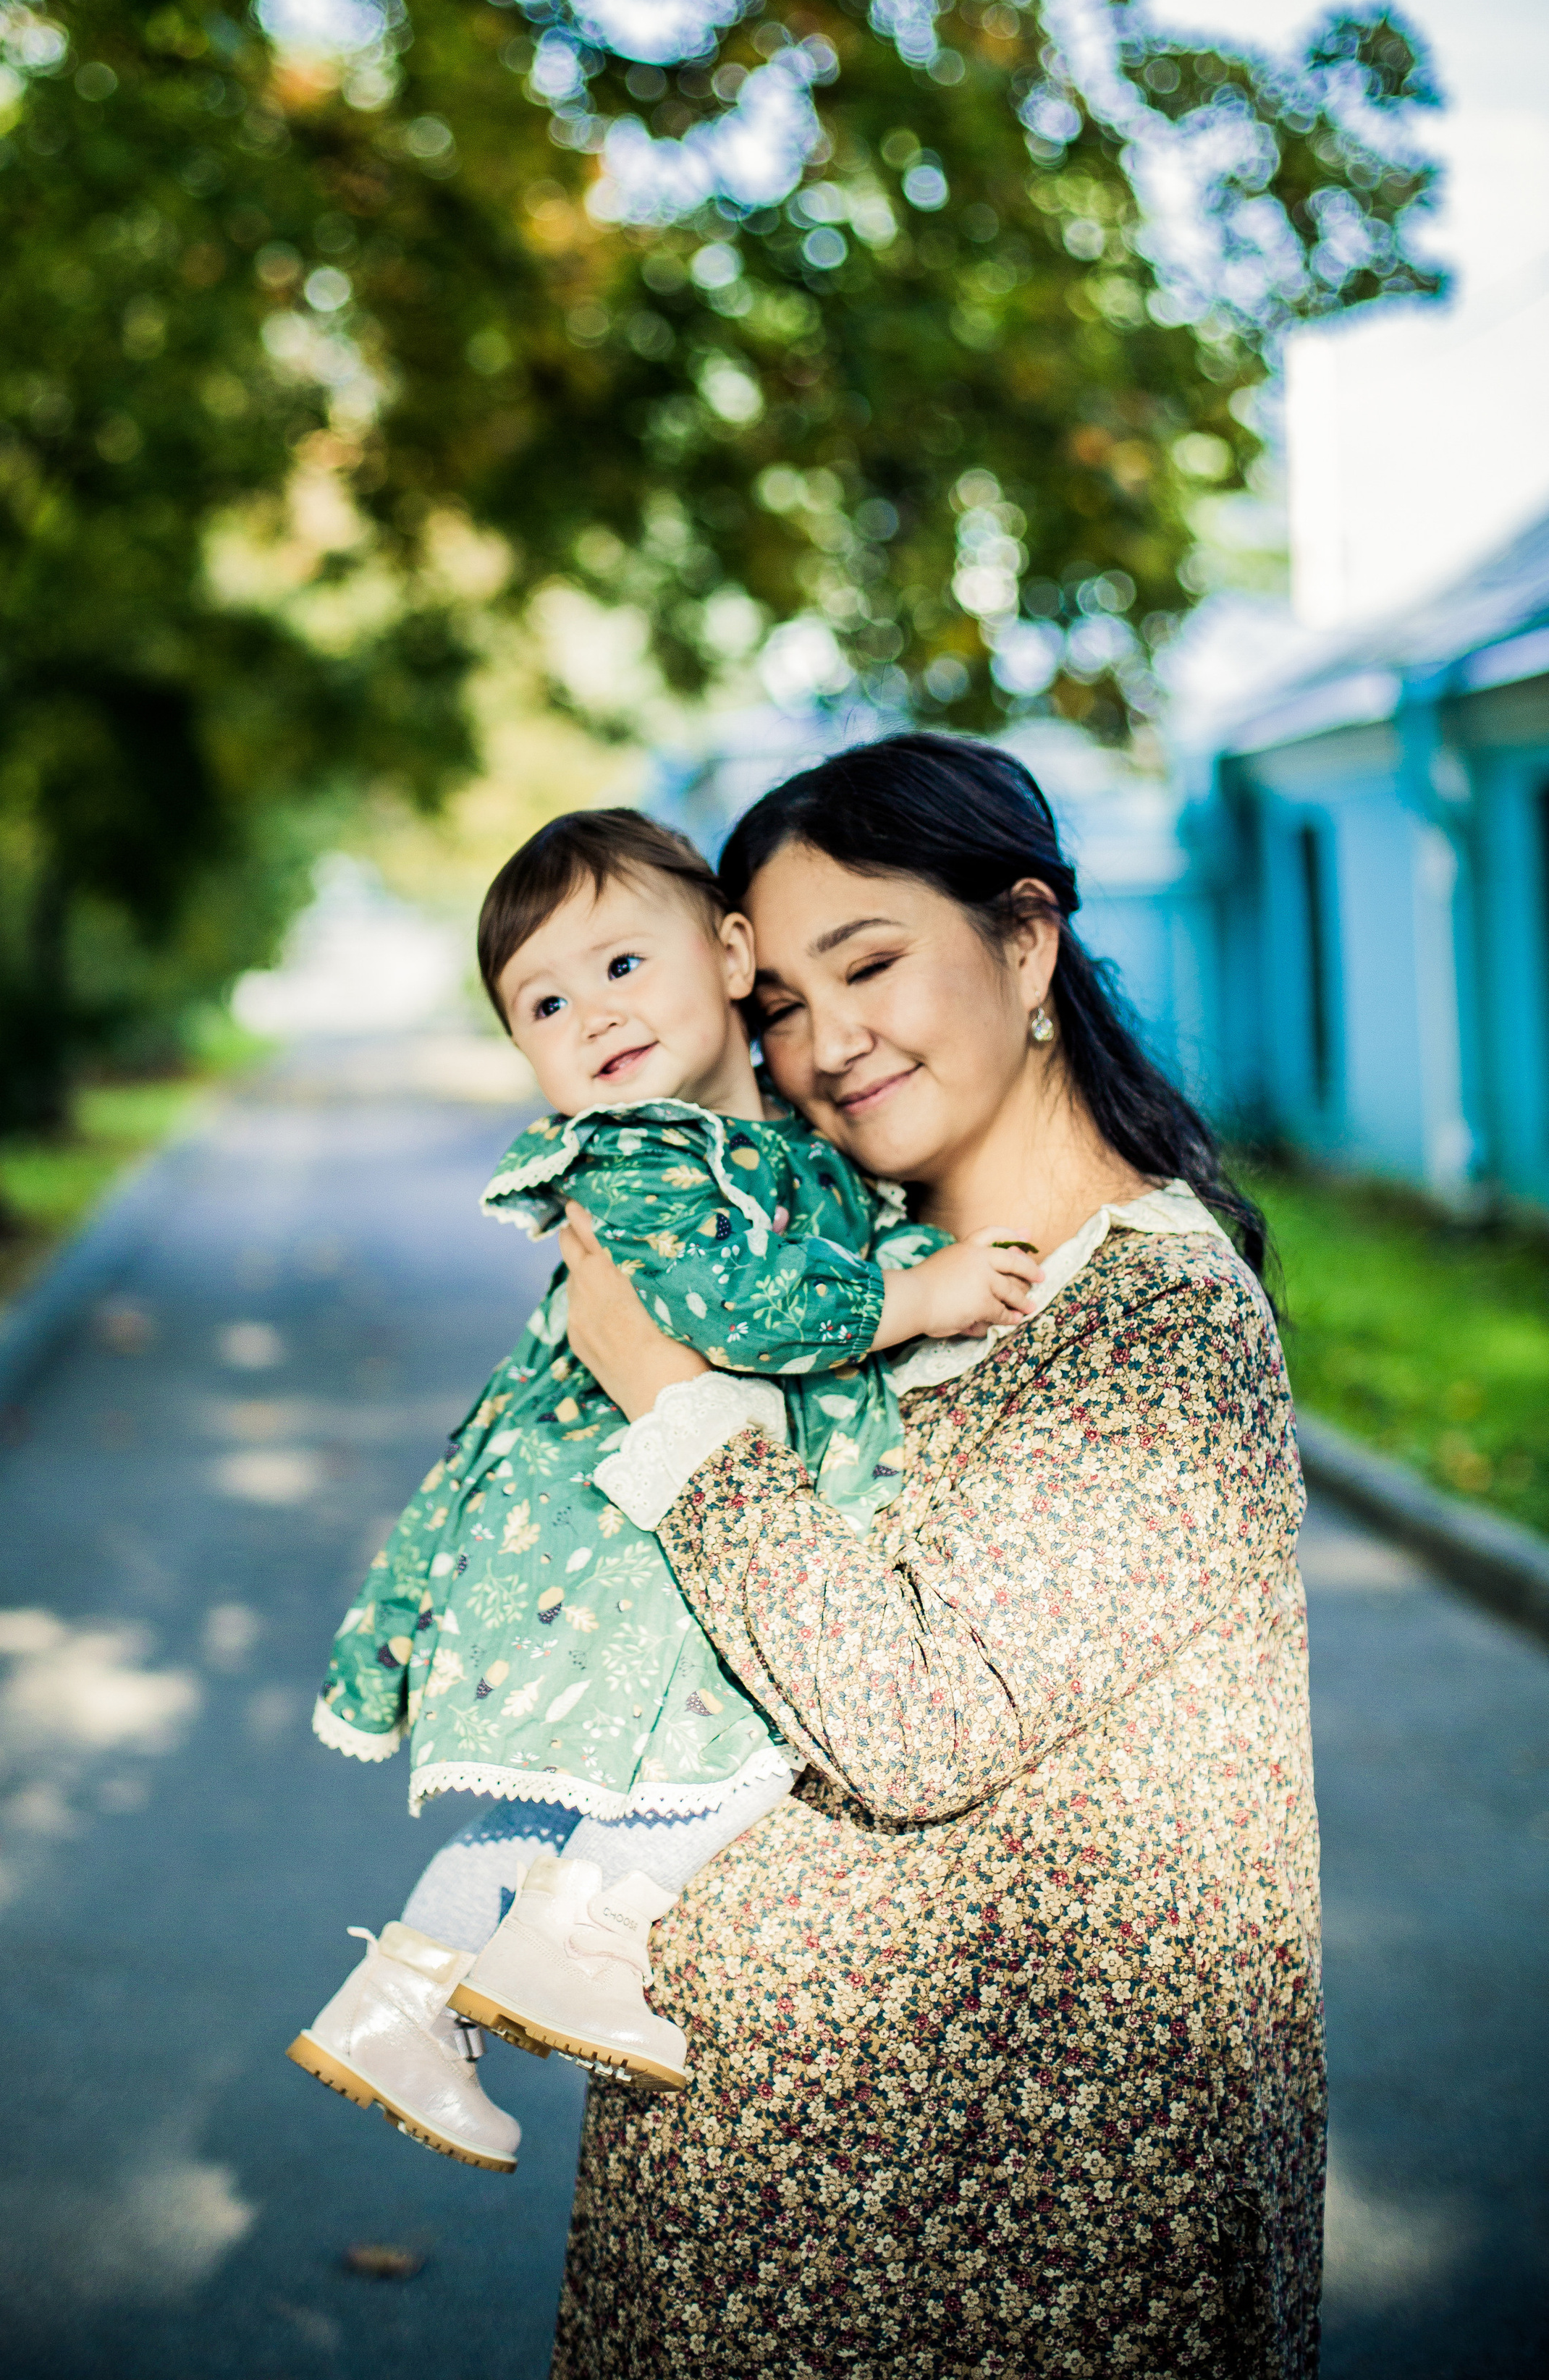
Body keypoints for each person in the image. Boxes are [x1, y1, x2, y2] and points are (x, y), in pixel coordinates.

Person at [545, 735, 1325, 2379]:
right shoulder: (861, 1279)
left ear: (1024, 943)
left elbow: (918, 1719)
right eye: (772, 1007)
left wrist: (675, 1410)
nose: (824, 1045)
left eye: (872, 962)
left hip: (1009, 2249)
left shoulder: (1153, 1319)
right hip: (743, 2199)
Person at [287, 808, 1039, 2173]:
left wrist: (918, 1246)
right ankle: (586, 1938)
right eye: (546, 1003)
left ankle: (409, 1991)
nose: (594, 1016)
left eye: (623, 966)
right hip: (602, 1522)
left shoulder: (769, 1146)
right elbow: (738, 1308)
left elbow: (827, 1233)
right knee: (753, 1731)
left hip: (629, 1515)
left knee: (559, 1788)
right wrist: (917, 1291)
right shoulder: (635, 1157)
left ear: (731, 951)